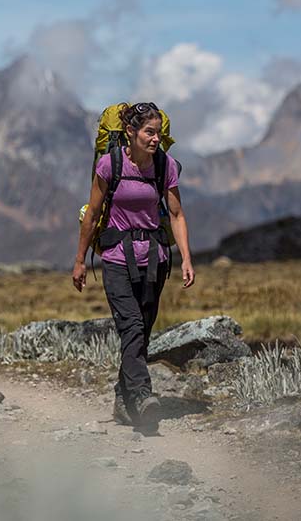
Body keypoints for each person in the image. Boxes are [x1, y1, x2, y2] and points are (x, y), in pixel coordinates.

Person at [72, 102, 195, 433]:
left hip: (155, 260)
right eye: (148, 132)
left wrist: (185, 256)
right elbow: (94, 214)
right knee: (131, 327)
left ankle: (122, 400)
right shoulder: (108, 164)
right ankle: (142, 397)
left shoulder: (164, 166)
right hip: (115, 260)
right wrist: (81, 259)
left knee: (141, 334)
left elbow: (177, 214)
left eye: (157, 133)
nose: (155, 139)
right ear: (130, 132)